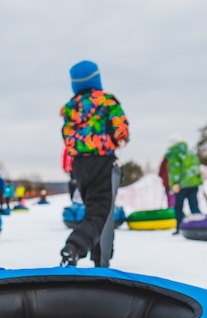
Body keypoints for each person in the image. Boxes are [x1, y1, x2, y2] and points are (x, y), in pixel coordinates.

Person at [59, 59, 129, 266]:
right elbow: (121, 132)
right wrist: (116, 142)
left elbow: (67, 138)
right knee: (100, 213)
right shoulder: (107, 102)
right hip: (102, 162)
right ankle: (75, 246)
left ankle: (100, 257)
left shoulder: (71, 108)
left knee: (94, 210)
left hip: (79, 166)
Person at [165, 137, 203, 234]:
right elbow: (196, 166)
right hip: (193, 183)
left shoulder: (174, 153)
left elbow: (175, 169)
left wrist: (175, 183)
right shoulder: (189, 152)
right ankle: (199, 227)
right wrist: (199, 180)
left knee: (178, 206)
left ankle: (180, 227)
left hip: (181, 185)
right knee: (194, 205)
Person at [91, 160, 123, 267]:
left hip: (101, 169)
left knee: (102, 217)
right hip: (103, 170)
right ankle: (100, 257)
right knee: (102, 216)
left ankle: (102, 256)